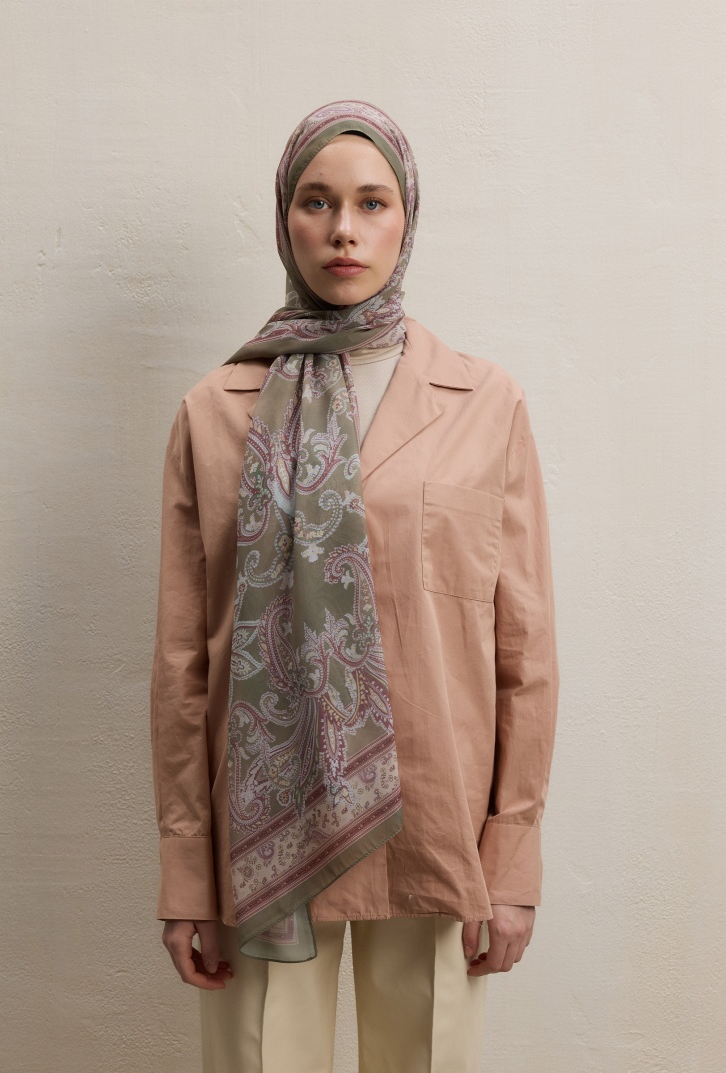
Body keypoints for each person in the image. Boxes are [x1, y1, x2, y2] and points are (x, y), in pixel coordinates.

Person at [151, 100, 559, 1073]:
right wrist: (185, 875)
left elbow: (524, 651)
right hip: (262, 833)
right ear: (283, 218)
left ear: (406, 217)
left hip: (435, 820)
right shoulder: (216, 410)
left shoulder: (484, 403)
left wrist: (511, 858)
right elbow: (183, 669)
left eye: (372, 202)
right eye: (316, 201)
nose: (343, 229)